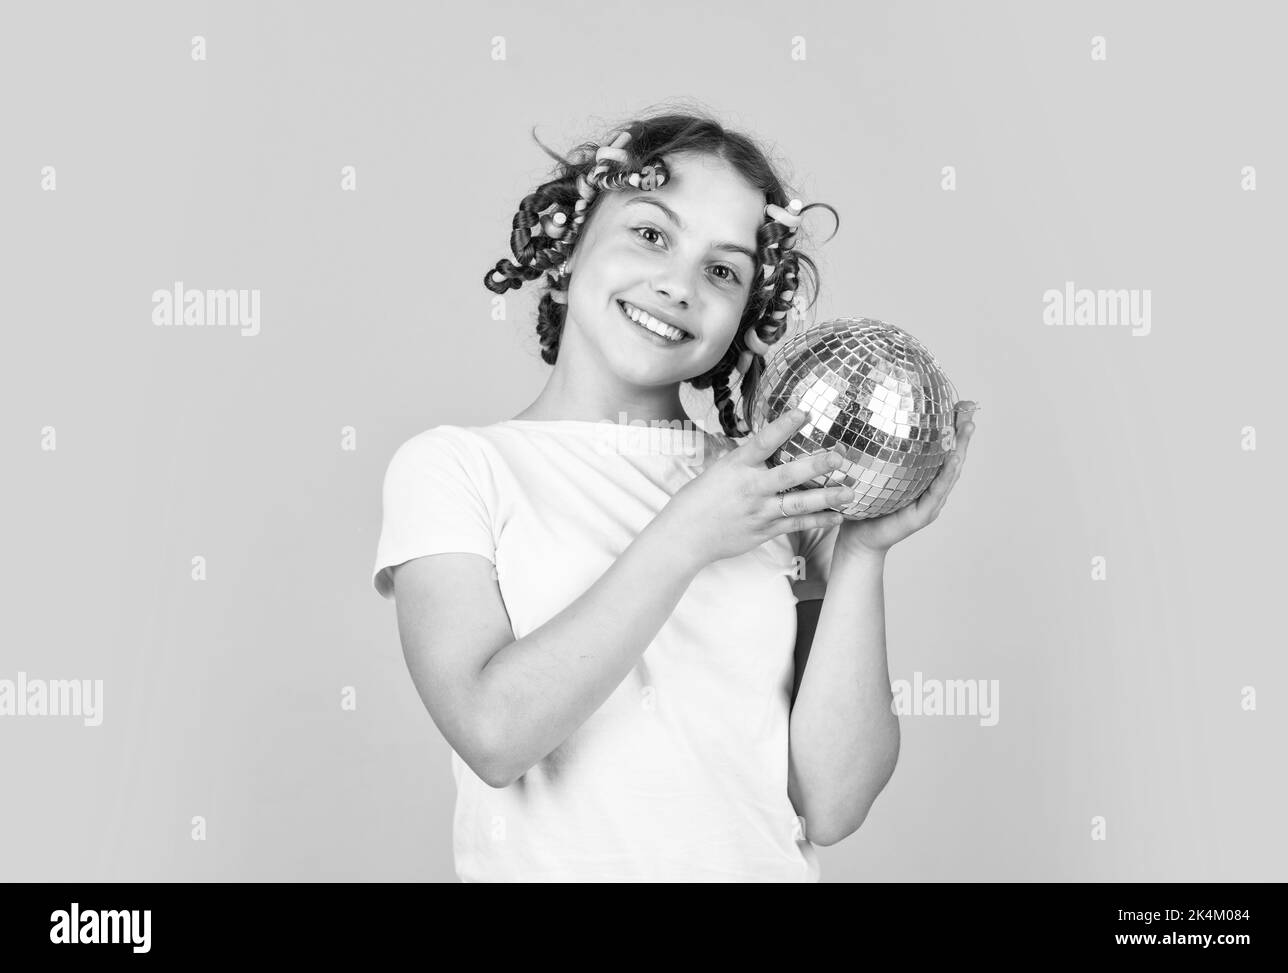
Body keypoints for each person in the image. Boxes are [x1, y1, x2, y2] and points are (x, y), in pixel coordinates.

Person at [372, 110, 977, 882]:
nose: (678, 285)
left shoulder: (770, 490)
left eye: (723, 270)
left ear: (746, 317)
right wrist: (687, 534)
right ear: (568, 241)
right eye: (652, 235)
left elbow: (832, 801)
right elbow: (493, 732)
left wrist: (859, 552)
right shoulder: (456, 467)